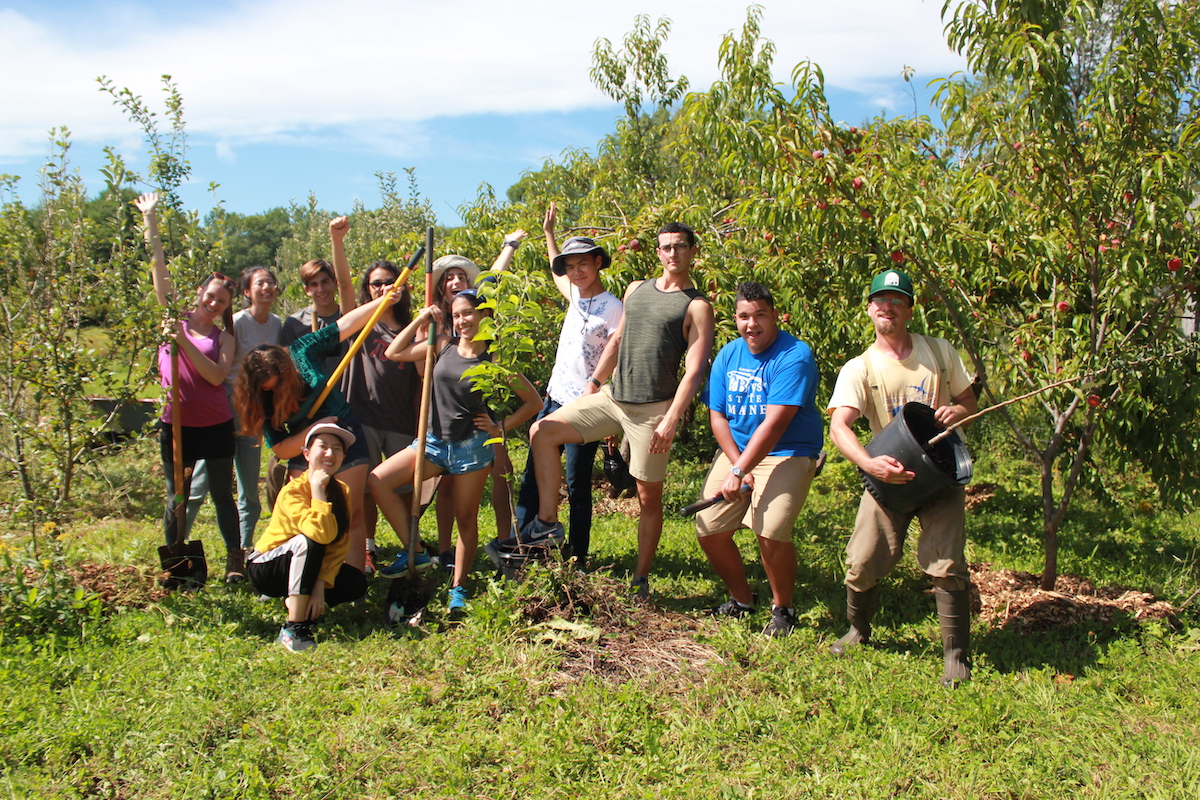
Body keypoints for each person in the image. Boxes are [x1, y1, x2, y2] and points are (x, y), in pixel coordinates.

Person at [524, 222, 715, 600]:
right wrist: (594, 385)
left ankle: (640, 578)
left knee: (648, 498)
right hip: (613, 397)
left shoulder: (697, 306)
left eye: (680, 246)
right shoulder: (636, 290)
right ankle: (547, 522)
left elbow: (695, 370)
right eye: (666, 247)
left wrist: (672, 418)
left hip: (652, 412)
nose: (673, 253)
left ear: (692, 252)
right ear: (658, 253)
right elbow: (617, 339)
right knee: (541, 432)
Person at [826, 268, 978, 687]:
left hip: (942, 474)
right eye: (880, 299)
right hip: (887, 476)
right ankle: (858, 629)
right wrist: (869, 464)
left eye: (896, 299)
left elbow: (968, 399)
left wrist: (959, 412)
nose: (887, 306)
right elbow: (840, 426)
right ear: (869, 309)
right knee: (861, 562)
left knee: (947, 565)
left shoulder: (939, 352)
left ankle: (956, 654)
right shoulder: (859, 367)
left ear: (910, 309)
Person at [370, 288, 541, 613]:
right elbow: (394, 352)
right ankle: (416, 549)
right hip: (431, 442)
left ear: (484, 315)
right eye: (456, 314)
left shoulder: (494, 357)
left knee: (466, 518)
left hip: (471, 449)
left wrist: (500, 428)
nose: (461, 320)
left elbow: (533, 402)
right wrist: (421, 318)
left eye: (468, 313)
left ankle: (458, 590)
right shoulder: (443, 343)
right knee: (378, 480)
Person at [233, 286, 401, 576]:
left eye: (281, 382)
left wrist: (381, 302)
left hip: (346, 436)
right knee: (309, 512)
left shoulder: (303, 350)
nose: (279, 390)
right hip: (305, 448)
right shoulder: (262, 397)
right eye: (271, 388)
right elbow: (281, 449)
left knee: (350, 511)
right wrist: (314, 428)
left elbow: (345, 325)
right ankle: (308, 575)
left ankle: (351, 576)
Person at [695, 282, 823, 637]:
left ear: (776, 316)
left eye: (760, 315)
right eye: (744, 316)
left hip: (788, 452)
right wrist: (738, 465)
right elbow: (717, 416)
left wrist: (740, 470)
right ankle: (741, 600)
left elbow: (776, 424)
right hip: (738, 452)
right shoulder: (728, 354)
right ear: (735, 319)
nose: (752, 324)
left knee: (769, 529)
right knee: (709, 530)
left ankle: (783, 609)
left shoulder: (795, 355)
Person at [135, 192, 242, 582]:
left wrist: (181, 344)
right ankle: (177, 562)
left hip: (213, 425)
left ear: (227, 306)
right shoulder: (172, 317)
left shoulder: (224, 338)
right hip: (174, 424)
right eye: (210, 296)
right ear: (199, 293)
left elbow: (215, 377)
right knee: (176, 495)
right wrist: (151, 222)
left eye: (222, 301)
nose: (213, 303)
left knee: (221, 495)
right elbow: (158, 269)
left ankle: (235, 559)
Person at [508, 203, 622, 566]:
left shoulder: (613, 307)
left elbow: (616, 349)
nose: (576, 272)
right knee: (534, 472)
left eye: (583, 264)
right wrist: (548, 233)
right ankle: (528, 541)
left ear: (598, 263)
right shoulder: (574, 295)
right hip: (554, 398)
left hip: (584, 405)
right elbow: (555, 264)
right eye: (571, 267)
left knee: (576, 482)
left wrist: (596, 385)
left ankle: (578, 553)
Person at [425, 235, 525, 568]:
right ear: (440, 287)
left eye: (461, 277)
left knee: (501, 471)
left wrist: (508, 247)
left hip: (483, 408)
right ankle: (444, 550)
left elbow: (493, 279)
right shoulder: (437, 321)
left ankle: (504, 542)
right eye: (449, 278)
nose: (456, 281)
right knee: (447, 484)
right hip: (445, 411)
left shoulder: (479, 313)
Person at [183, 265, 283, 577]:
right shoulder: (237, 322)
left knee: (249, 484)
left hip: (254, 410)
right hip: (225, 407)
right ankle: (178, 544)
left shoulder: (278, 324)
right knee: (201, 482)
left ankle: (242, 552)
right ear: (246, 292)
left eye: (271, 282)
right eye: (260, 283)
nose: (267, 287)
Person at [246, 422, 368, 652]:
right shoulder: (293, 490)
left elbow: (339, 543)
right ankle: (294, 627)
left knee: (355, 583)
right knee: (309, 539)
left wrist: (320, 585)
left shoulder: (343, 490)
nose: (330, 453)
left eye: (337, 448)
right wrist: (317, 490)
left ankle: (297, 600)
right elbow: (319, 534)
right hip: (268, 566)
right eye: (322, 446)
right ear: (306, 454)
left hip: (308, 563)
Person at [343, 260, 419, 574]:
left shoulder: (413, 327)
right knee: (363, 490)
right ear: (367, 289)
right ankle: (367, 548)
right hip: (363, 418)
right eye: (376, 283)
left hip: (401, 419)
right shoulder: (362, 323)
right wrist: (337, 240)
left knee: (401, 488)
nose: (384, 288)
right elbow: (343, 285)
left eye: (390, 282)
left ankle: (410, 546)